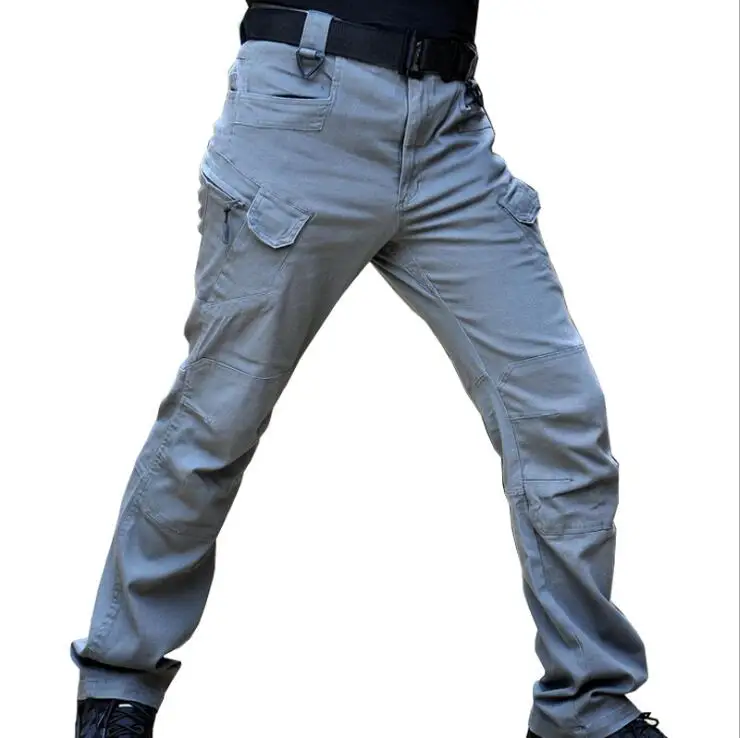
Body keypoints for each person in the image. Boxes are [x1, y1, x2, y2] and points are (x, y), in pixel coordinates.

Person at [72, 2, 669, 737]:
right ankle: (118, 683)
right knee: (216, 418)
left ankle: (584, 706)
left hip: (449, 130)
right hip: (304, 105)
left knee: (560, 413)